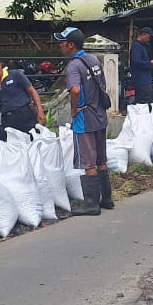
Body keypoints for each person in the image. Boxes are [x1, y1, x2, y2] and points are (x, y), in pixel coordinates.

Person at [55, 27, 113, 215]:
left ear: (70, 45)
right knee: (101, 160)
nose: (60, 45)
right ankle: (107, 199)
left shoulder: (73, 66)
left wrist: (74, 109)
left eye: (62, 41)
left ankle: (91, 205)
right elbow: (102, 84)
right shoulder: (93, 59)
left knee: (88, 162)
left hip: (84, 119)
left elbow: (75, 90)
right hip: (99, 116)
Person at [129, 26, 153, 105]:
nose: (149, 39)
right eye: (149, 37)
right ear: (143, 34)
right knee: (144, 103)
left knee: (146, 102)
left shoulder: (142, 46)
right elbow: (136, 62)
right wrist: (149, 63)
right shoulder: (137, 46)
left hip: (145, 80)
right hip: (141, 81)